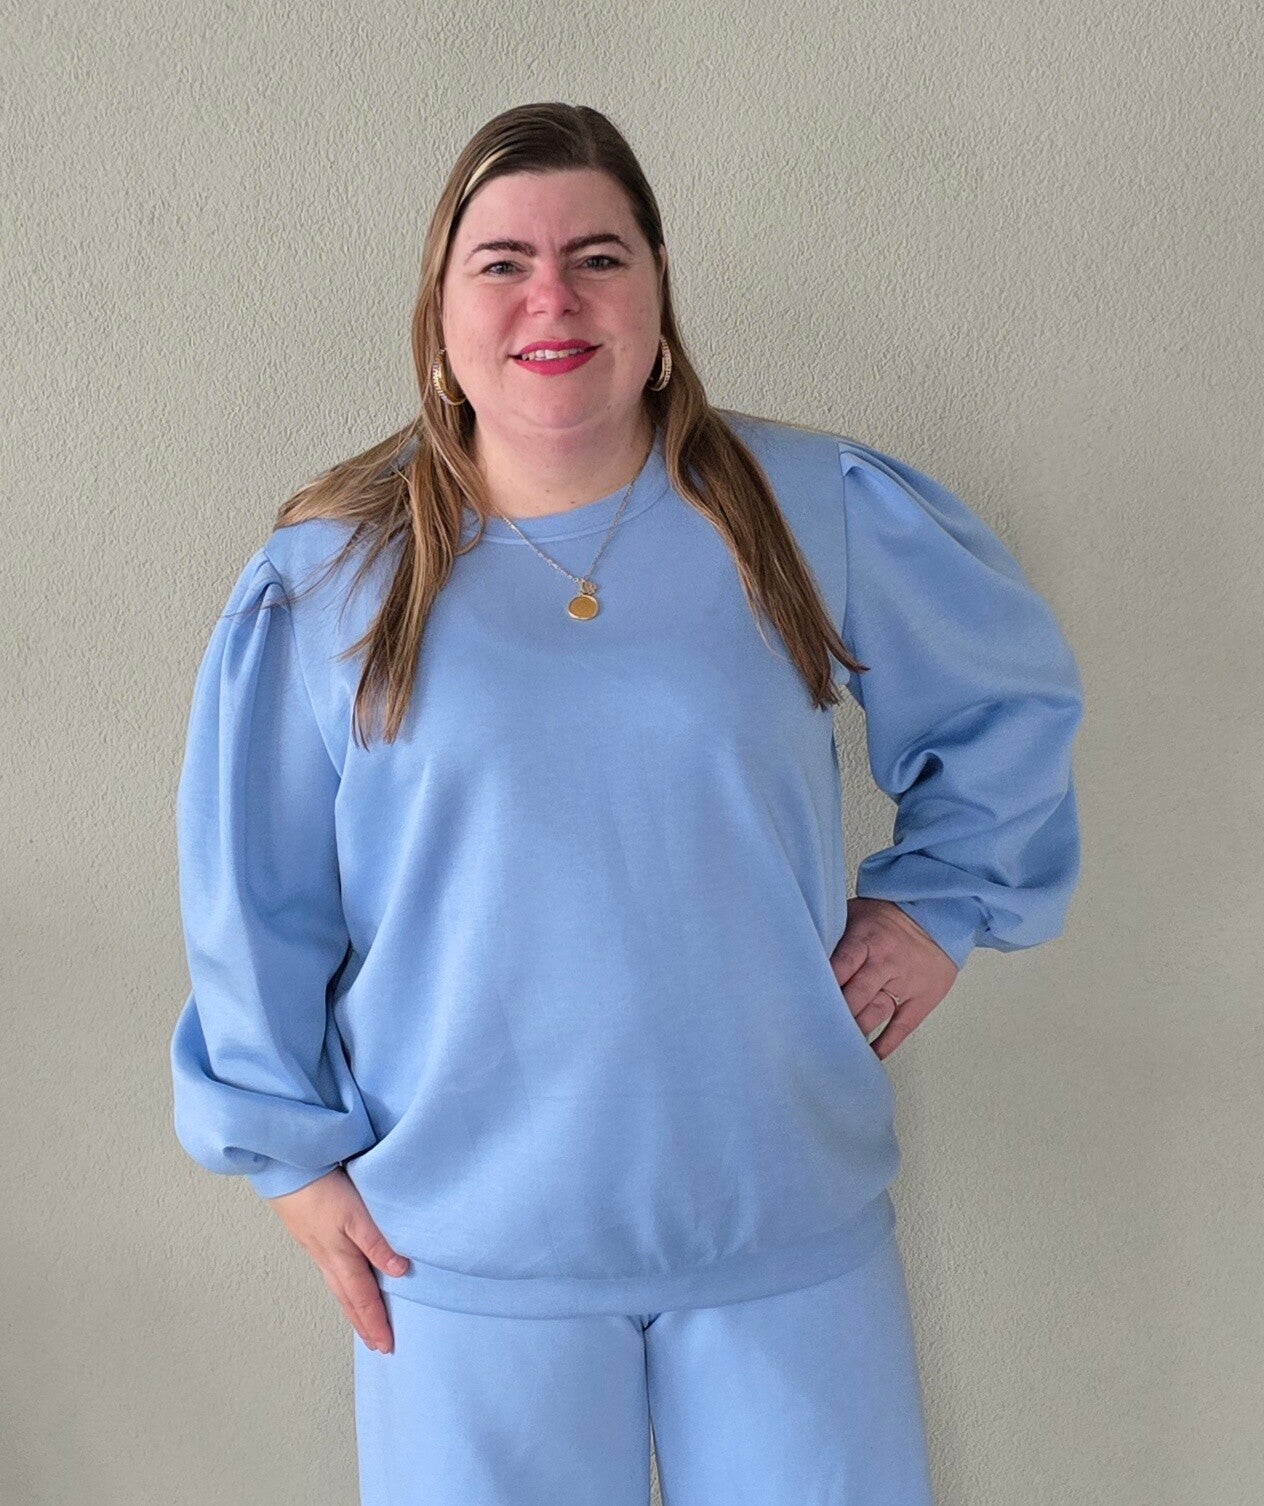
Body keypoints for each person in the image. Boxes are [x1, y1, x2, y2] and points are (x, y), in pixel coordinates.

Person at [170, 102, 1083, 1506]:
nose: (553, 297)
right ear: (439, 311)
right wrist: (287, 1158)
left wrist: (937, 906)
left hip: (780, 1217)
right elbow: (255, 892)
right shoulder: (332, 577)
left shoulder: (808, 509)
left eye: (598, 256)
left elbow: (1004, 704)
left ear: (658, 294)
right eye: (503, 263)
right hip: (464, 1255)